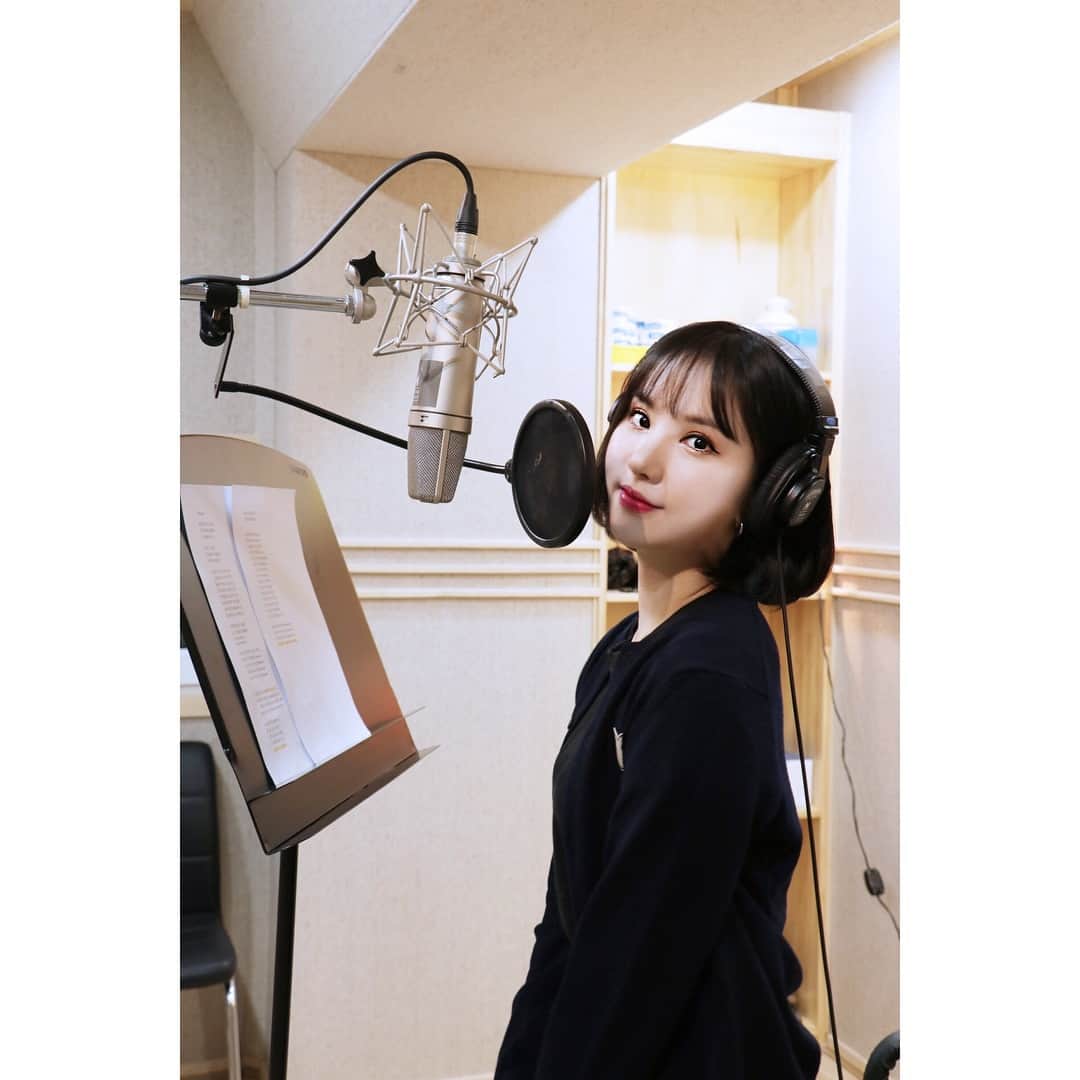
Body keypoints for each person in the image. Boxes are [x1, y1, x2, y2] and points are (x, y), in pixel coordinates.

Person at [493, 321, 834, 1079]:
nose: (643, 458)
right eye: (641, 417)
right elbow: (572, 916)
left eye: (700, 442)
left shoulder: (707, 676)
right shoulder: (623, 649)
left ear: (771, 497)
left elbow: (638, 960)